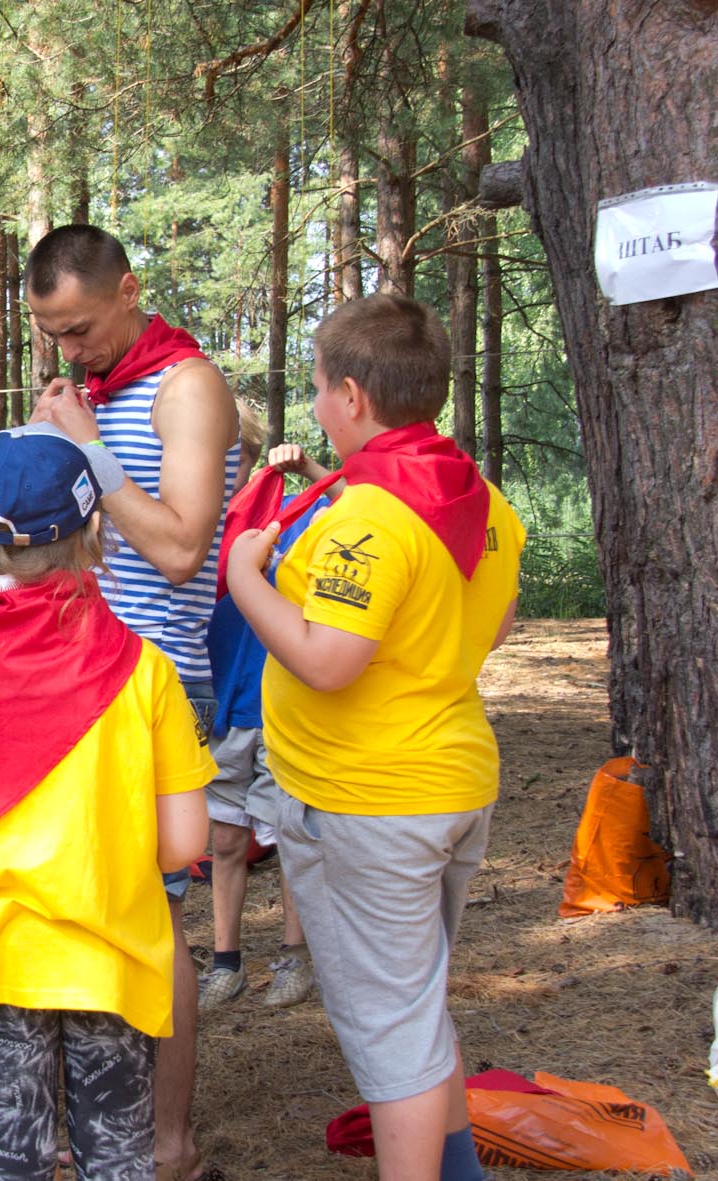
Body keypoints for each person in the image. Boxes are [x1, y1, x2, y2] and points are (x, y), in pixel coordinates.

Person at [226, 293, 523, 1181]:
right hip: (448, 779)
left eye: (319, 387)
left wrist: (246, 577)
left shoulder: (369, 517)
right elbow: (495, 623)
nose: (316, 403)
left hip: (370, 802)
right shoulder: (476, 495)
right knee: (416, 1008)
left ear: (351, 396)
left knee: (393, 1034)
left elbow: (328, 660)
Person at [0, 426, 212, 1181]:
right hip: (109, 957)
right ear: (94, 531)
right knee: (118, 1157)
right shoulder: (146, 672)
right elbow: (183, 844)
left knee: (9, 1161)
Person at [26, 224, 239, 1181]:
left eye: (80, 328)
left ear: (128, 289)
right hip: (66, 674)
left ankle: (168, 1141)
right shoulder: (99, 392)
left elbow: (185, 548)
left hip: (155, 678)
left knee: (151, 915)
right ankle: (92, 1127)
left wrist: (86, 448)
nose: (70, 349)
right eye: (53, 335)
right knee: (73, 904)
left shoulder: (186, 385)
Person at [197, 423, 337, 1012]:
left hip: (279, 704)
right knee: (226, 840)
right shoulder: (191, 527)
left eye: (231, 459)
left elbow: (360, 505)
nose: (217, 471)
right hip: (221, 706)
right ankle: (225, 963)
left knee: (291, 839)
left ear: (251, 460)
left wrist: (308, 472)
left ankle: (294, 958)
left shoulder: (293, 517)